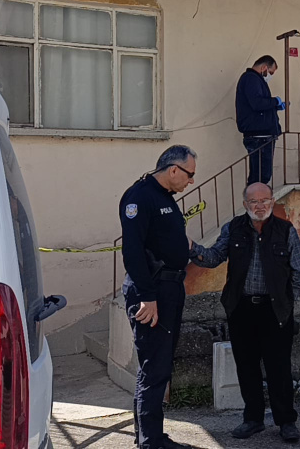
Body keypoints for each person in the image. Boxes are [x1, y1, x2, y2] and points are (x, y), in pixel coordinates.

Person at [190, 182, 300, 443]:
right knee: (246, 366)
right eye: (254, 201)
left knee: (279, 368)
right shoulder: (233, 228)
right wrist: (191, 247)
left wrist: (289, 301)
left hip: (275, 309)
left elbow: (299, 270)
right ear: (245, 204)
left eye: (265, 200)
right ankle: (253, 419)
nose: (260, 206)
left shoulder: (285, 230)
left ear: (272, 202)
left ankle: (286, 421)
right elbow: (214, 257)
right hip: (241, 308)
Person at [120, 145, 197, 449]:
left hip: (170, 289)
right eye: (189, 174)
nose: (191, 181)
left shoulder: (165, 196)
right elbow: (132, 251)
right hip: (152, 291)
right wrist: (147, 297)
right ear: (174, 169)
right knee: (155, 367)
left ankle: (149, 436)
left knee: (158, 365)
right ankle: (151, 441)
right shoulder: (140, 196)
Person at [235, 55, 285, 186]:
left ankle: (256, 195)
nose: (270, 76)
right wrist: (274, 101)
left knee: (260, 175)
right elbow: (257, 103)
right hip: (259, 136)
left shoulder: (254, 80)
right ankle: (255, 197)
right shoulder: (251, 79)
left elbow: (258, 105)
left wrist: (275, 106)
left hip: (261, 134)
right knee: (261, 176)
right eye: (271, 72)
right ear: (264, 68)